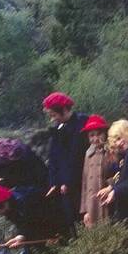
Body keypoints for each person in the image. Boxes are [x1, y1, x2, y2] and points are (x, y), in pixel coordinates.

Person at [0, 184, 67, 254]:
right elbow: (24, 225)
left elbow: (43, 222)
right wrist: (20, 237)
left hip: (58, 222)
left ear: (2, 204)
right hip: (41, 229)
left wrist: (52, 237)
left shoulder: (27, 202)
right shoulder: (10, 206)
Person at [43, 92, 88, 230]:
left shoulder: (83, 124)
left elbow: (76, 157)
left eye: (53, 115)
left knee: (82, 216)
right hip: (64, 185)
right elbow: (54, 157)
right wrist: (54, 182)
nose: (52, 119)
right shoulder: (58, 128)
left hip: (81, 182)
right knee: (69, 219)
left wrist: (67, 182)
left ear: (64, 110)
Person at [79, 114, 116, 228]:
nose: (95, 138)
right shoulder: (88, 154)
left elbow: (117, 174)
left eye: (99, 134)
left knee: (109, 227)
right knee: (93, 229)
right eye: (91, 135)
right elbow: (85, 183)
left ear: (105, 134)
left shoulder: (111, 151)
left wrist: (111, 186)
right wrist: (85, 210)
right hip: (92, 203)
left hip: (108, 199)